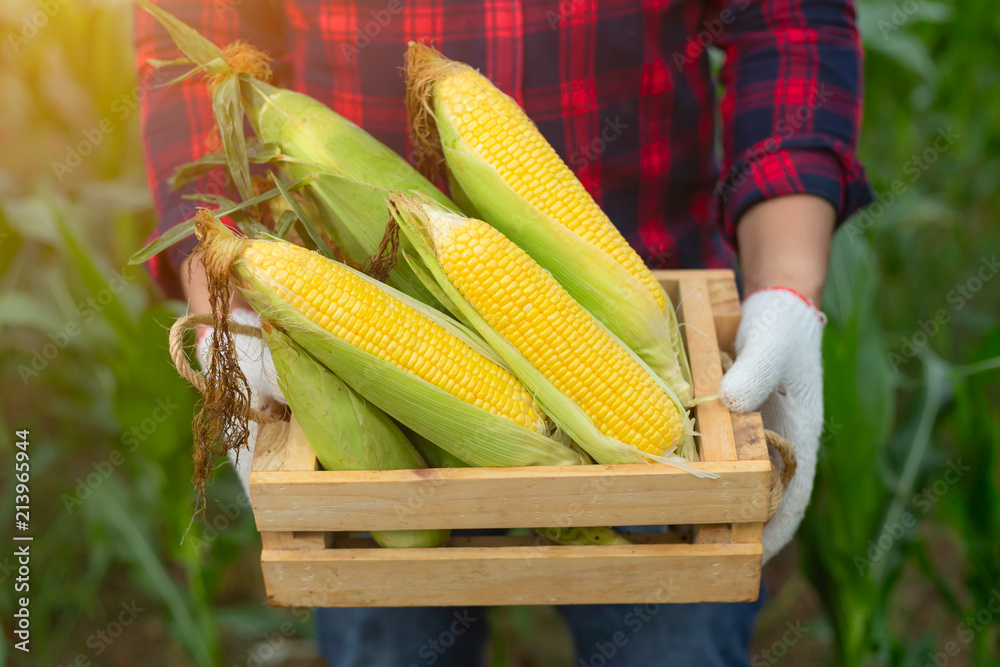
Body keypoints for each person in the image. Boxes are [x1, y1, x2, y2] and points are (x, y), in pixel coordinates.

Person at [135, 0, 871, 664]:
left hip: (668, 340)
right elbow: (201, 27)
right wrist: (226, 307)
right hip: (362, 378)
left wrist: (786, 283)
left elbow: (789, 19)